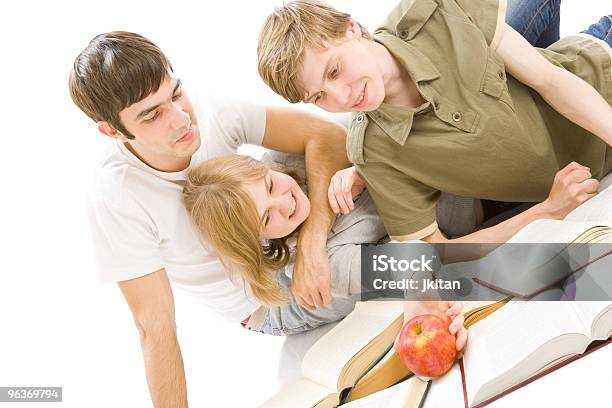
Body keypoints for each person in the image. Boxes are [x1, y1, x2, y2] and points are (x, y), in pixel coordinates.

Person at [69, 31, 351, 407]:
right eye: (152, 115)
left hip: (292, 242)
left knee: (295, 155)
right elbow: (155, 328)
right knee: (349, 265)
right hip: (275, 299)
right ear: (113, 131)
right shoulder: (118, 198)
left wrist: (313, 243)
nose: (181, 118)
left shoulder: (209, 112)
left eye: (174, 93)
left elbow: (327, 135)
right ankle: (454, 278)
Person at [257, 0, 612, 248]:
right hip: (588, 179)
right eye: (319, 96)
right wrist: (547, 212)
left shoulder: (438, 9)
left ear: (351, 29)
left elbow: (549, 79)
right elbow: (436, 259)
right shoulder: (372, 151)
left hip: (601, 76)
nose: (341, 96)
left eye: (334, 70)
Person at [182, 153, 467, 343]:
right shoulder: (322, 268)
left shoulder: (284, 157)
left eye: (269, 185)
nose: (284, 202)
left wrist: (361, 170)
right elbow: (410, 260)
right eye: (267, 216)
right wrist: (422, 299)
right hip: (269, 308)